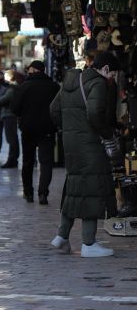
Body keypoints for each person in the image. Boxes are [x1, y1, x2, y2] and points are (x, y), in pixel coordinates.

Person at [50, 51, 120, 257]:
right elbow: (95, 114)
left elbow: (54, 110)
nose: (112, 79)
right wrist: (108, 135)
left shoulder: (70, 81)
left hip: (71, 144)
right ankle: (89, 243)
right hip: (90, 144)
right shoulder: (97, 83)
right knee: (92, 188)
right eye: (112, 75)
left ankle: (62, 236)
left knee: (74, 187)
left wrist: (72, 128)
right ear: (106, 69)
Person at [10, 60, 60, 205]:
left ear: (32, 70)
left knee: (28, 161)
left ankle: (28, 193)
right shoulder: (54, 87)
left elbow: (14, 108)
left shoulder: (24, 87)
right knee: (46, 162)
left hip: (28, 128)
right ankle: (43, 193)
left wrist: (24, 116)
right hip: (48, 128)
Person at [0, 70, 20, 168]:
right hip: (12, 115)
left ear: (10, 78)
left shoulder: (11, 89)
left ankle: (12, 160)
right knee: (14, 138)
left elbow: (1, 100)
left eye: (6, 77)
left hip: (9, 115)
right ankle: (13, 159)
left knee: (11, 139)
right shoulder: (16, 88)